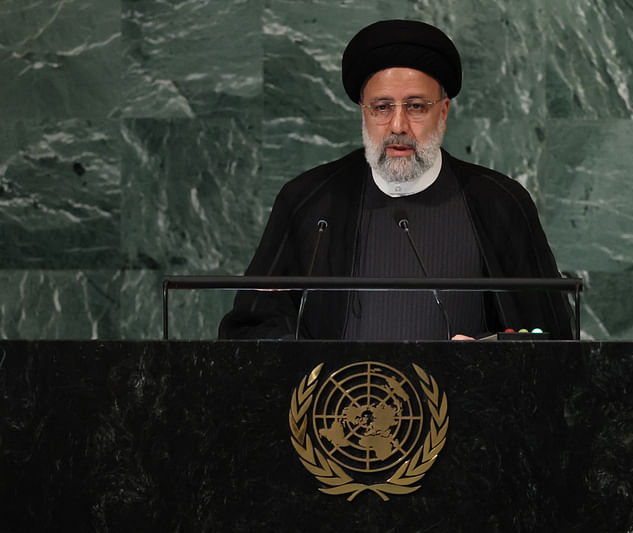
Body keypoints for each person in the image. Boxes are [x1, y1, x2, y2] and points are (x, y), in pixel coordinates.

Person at [218, 19, 574, 341]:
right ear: (364, 112)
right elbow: (251, 329)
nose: (398, 126)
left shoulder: (500, 203)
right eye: (382, 107)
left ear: (443, 112)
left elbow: (551, 340)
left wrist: (486, 356)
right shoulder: (309, 201)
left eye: (416, 106)